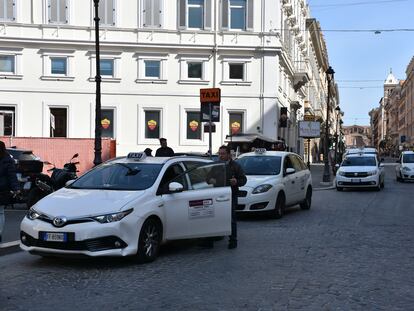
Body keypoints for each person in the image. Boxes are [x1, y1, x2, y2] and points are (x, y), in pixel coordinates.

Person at [204, 145, 247, 249]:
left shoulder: (235, 166)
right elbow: (208, 178)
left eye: (223, 154)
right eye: (219, 154)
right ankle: (210, 240)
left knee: (231, 219)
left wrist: (236, 181)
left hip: (230, 195)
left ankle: (233, 241)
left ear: (228, 154)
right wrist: (210, 180)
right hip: (217, 195)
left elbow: (243, 180)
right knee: (214, 217)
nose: (220, 156)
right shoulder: (216, 165)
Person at [0, 141, 19, 243]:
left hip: (2, 190)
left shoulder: (7, 161)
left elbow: (12, 176)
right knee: (0, 212)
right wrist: (16, 188)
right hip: (3, 189)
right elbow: (12, 176)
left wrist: (16, 188)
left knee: (0, 212)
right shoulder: (8, 160)